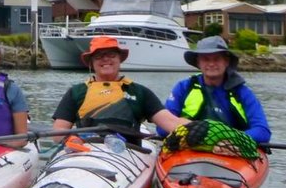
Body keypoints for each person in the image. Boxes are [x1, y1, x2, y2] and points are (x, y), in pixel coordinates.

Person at [52, 36, 187, 139]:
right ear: (91, 63)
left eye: (111, 55)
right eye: (99, 56)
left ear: (119, 60)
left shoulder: (139, 92)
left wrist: (196, 127)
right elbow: (59, 131)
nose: (105, 60)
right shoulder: (76, 92)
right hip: (87, 151)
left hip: (129, 153)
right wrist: (72, 140)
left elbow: (169, 122)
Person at [161, 35, 271, 144]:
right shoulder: (183, 87)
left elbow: (263, 131)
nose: (211, 64)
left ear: (226, 62)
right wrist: (190, 130)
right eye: (206, 59)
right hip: (188, 147)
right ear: (198, 62)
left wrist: (230, 140)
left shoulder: (242, 92)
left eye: (217, 59)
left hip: (232, 149)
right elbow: (161, 128)